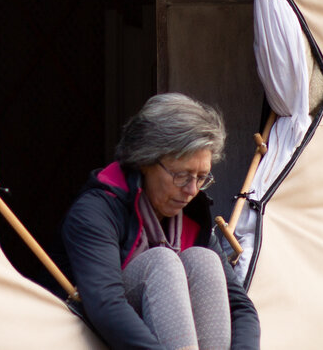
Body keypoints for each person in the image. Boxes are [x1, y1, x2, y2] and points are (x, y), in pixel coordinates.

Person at [60, 93, 260, 350]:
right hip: (97, 336)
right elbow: (105, 304)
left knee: (204, 261)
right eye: (181, 176)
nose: (191, 190)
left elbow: (241, 307)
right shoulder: (96, 212)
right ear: (145, 161)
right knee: (162, 262)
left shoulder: (191, 219)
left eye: (202, 178)